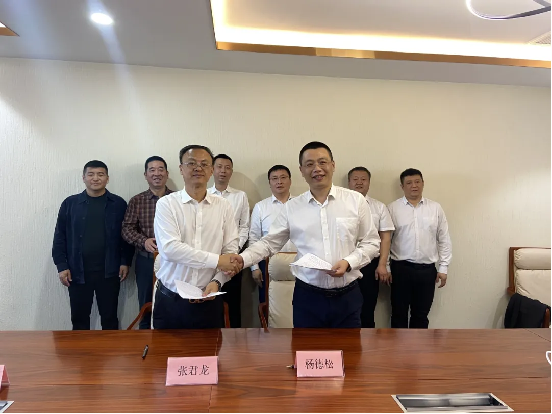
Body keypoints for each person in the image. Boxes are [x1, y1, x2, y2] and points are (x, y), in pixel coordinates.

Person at [233, 142, 381, 328]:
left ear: (333, 165)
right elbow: (268, 243)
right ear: (301, 170)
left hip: (348, 296)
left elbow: (372, 242)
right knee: (307, 348)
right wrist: (241, 259)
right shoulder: (292, 208)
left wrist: (349, 262)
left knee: (348, 348)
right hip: (308, 297)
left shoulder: (355, 200)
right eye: (310, 164)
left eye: (322, 162)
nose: (317, 169)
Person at [153, 145, 241, 329]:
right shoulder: (166, 204)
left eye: (204, 164)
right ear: (181, 169)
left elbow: (230, 252)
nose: (198, 168)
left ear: (211, 170)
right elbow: (170, 249)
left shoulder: (224, 206)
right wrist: (217, 261)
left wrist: (218, 281)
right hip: (171, 302)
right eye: (191, 163)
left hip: (209, 301)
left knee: (209, 349)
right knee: (166, 349)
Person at [52, 160, 134, 330]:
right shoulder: (70, 204)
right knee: (79, 319)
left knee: (110, 318)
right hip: (77, 271)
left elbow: (126, 236)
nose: (95, 178)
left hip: (110, 271)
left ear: (107, 178)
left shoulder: (118, 204)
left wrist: (125, 261)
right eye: (91, 174)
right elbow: (60, 237)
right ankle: (80, 349)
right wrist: (62, 266)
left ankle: (109, 348)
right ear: (84, 178)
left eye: (100, 174)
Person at [387, 168, 452, 329]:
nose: (414, 186)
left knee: (421, 315)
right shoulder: (392, 208)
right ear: (402, 186)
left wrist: (443, 267)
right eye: (409, 183)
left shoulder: (435, 208)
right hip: (400, 269)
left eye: (417, 182)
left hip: (427, 271)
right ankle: (398, 346)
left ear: (423, 183)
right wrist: (386, 267)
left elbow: (444, 238)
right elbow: (386, 241)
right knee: (399, 314)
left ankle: (419, 346)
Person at [122, 156, 173, 329]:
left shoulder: (177, 199)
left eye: (160, 169)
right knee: (146, 304)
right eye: (152, 170)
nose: (157, 173)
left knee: (173, 302)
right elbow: (126, 229)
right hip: (146, 261)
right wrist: (143, 241)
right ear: (145, 175)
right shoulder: (137, 201)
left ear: (167, 173)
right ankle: (146, 341)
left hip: (174, 261)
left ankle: (171, 341)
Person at [348, 167, 395, 328]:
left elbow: (385, 238)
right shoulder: (339, 205)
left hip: (370, 264)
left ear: (369, 182)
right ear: (349, 182)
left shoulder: (379, 207)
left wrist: (382, 265)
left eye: (363, 179)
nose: (359, 182)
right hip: (346, 264)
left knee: (367, 309)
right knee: (346, 309)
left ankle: (367, 343)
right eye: (355, 179)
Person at [208, 154, 250, 328]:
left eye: (227, 168)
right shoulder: (205, 195)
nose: (223, 171)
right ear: (212, 170)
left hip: (234, 258)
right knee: (210, 301)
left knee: (233, 302)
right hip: (210, 257)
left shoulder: (240, 196)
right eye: (219, 167)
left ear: (231, 171)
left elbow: (244, 227)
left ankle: (234, 341)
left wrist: (234, 252)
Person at [249, 165, 296, 303]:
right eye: (274, 178)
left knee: (298, 304)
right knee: (269, 303)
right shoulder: (261, 207)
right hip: (268, 263)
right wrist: (254, 267)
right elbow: (254, 238)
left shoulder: (301, 204)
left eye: (283, 177)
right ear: (269, 183)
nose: (279, 182)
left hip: (298, 262)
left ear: (290, 181)